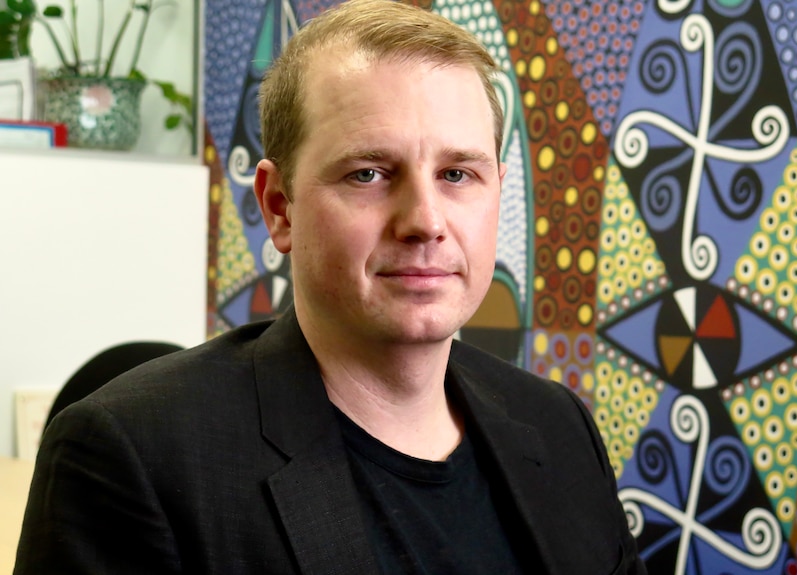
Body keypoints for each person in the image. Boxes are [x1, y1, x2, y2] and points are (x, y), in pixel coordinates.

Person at [15, 0, 646, 573]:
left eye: (458, 173)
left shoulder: (559, 426)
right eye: (369, 173)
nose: (426, 221)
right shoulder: (132, 459)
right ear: (280, 207)